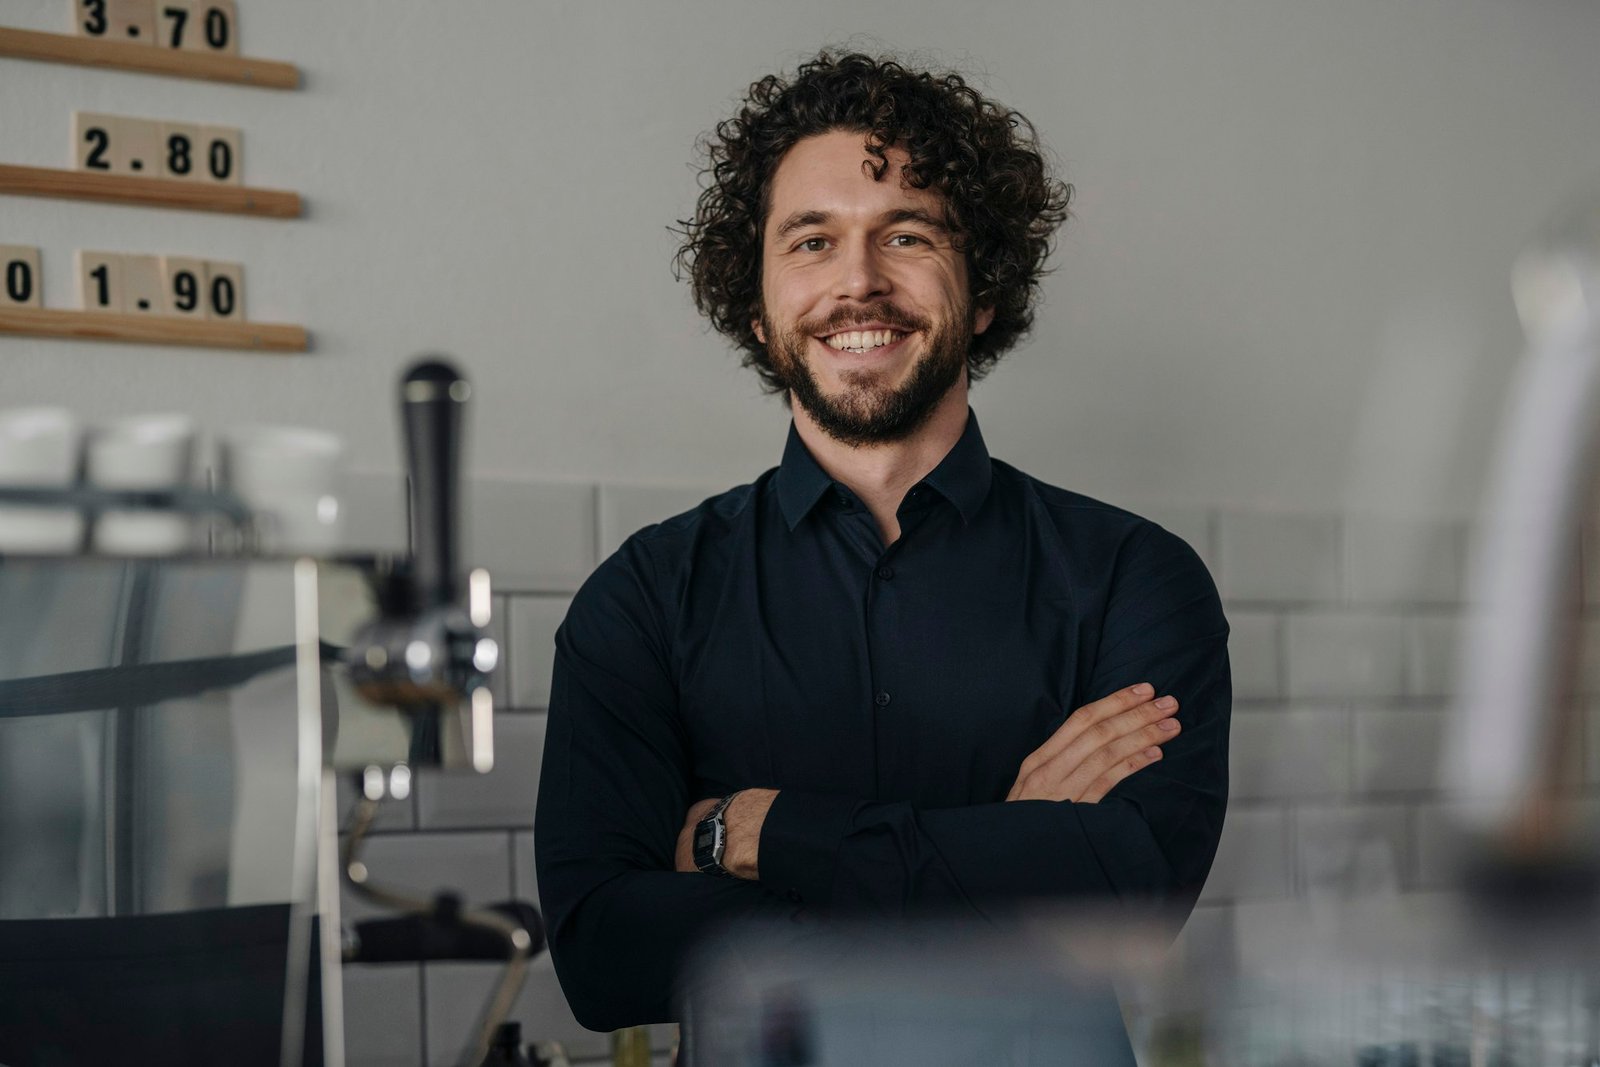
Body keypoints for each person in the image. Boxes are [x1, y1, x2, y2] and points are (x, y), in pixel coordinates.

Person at [534, 50, 1230, 1033]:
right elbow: (606, 957)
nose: (858, 282)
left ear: (981, 290)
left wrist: (760, 832)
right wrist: (1008, 845)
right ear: (757, 306)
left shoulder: (1131, 578)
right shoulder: (645, 595)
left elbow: (1131, 899)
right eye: (811, 242)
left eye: (904, 234)